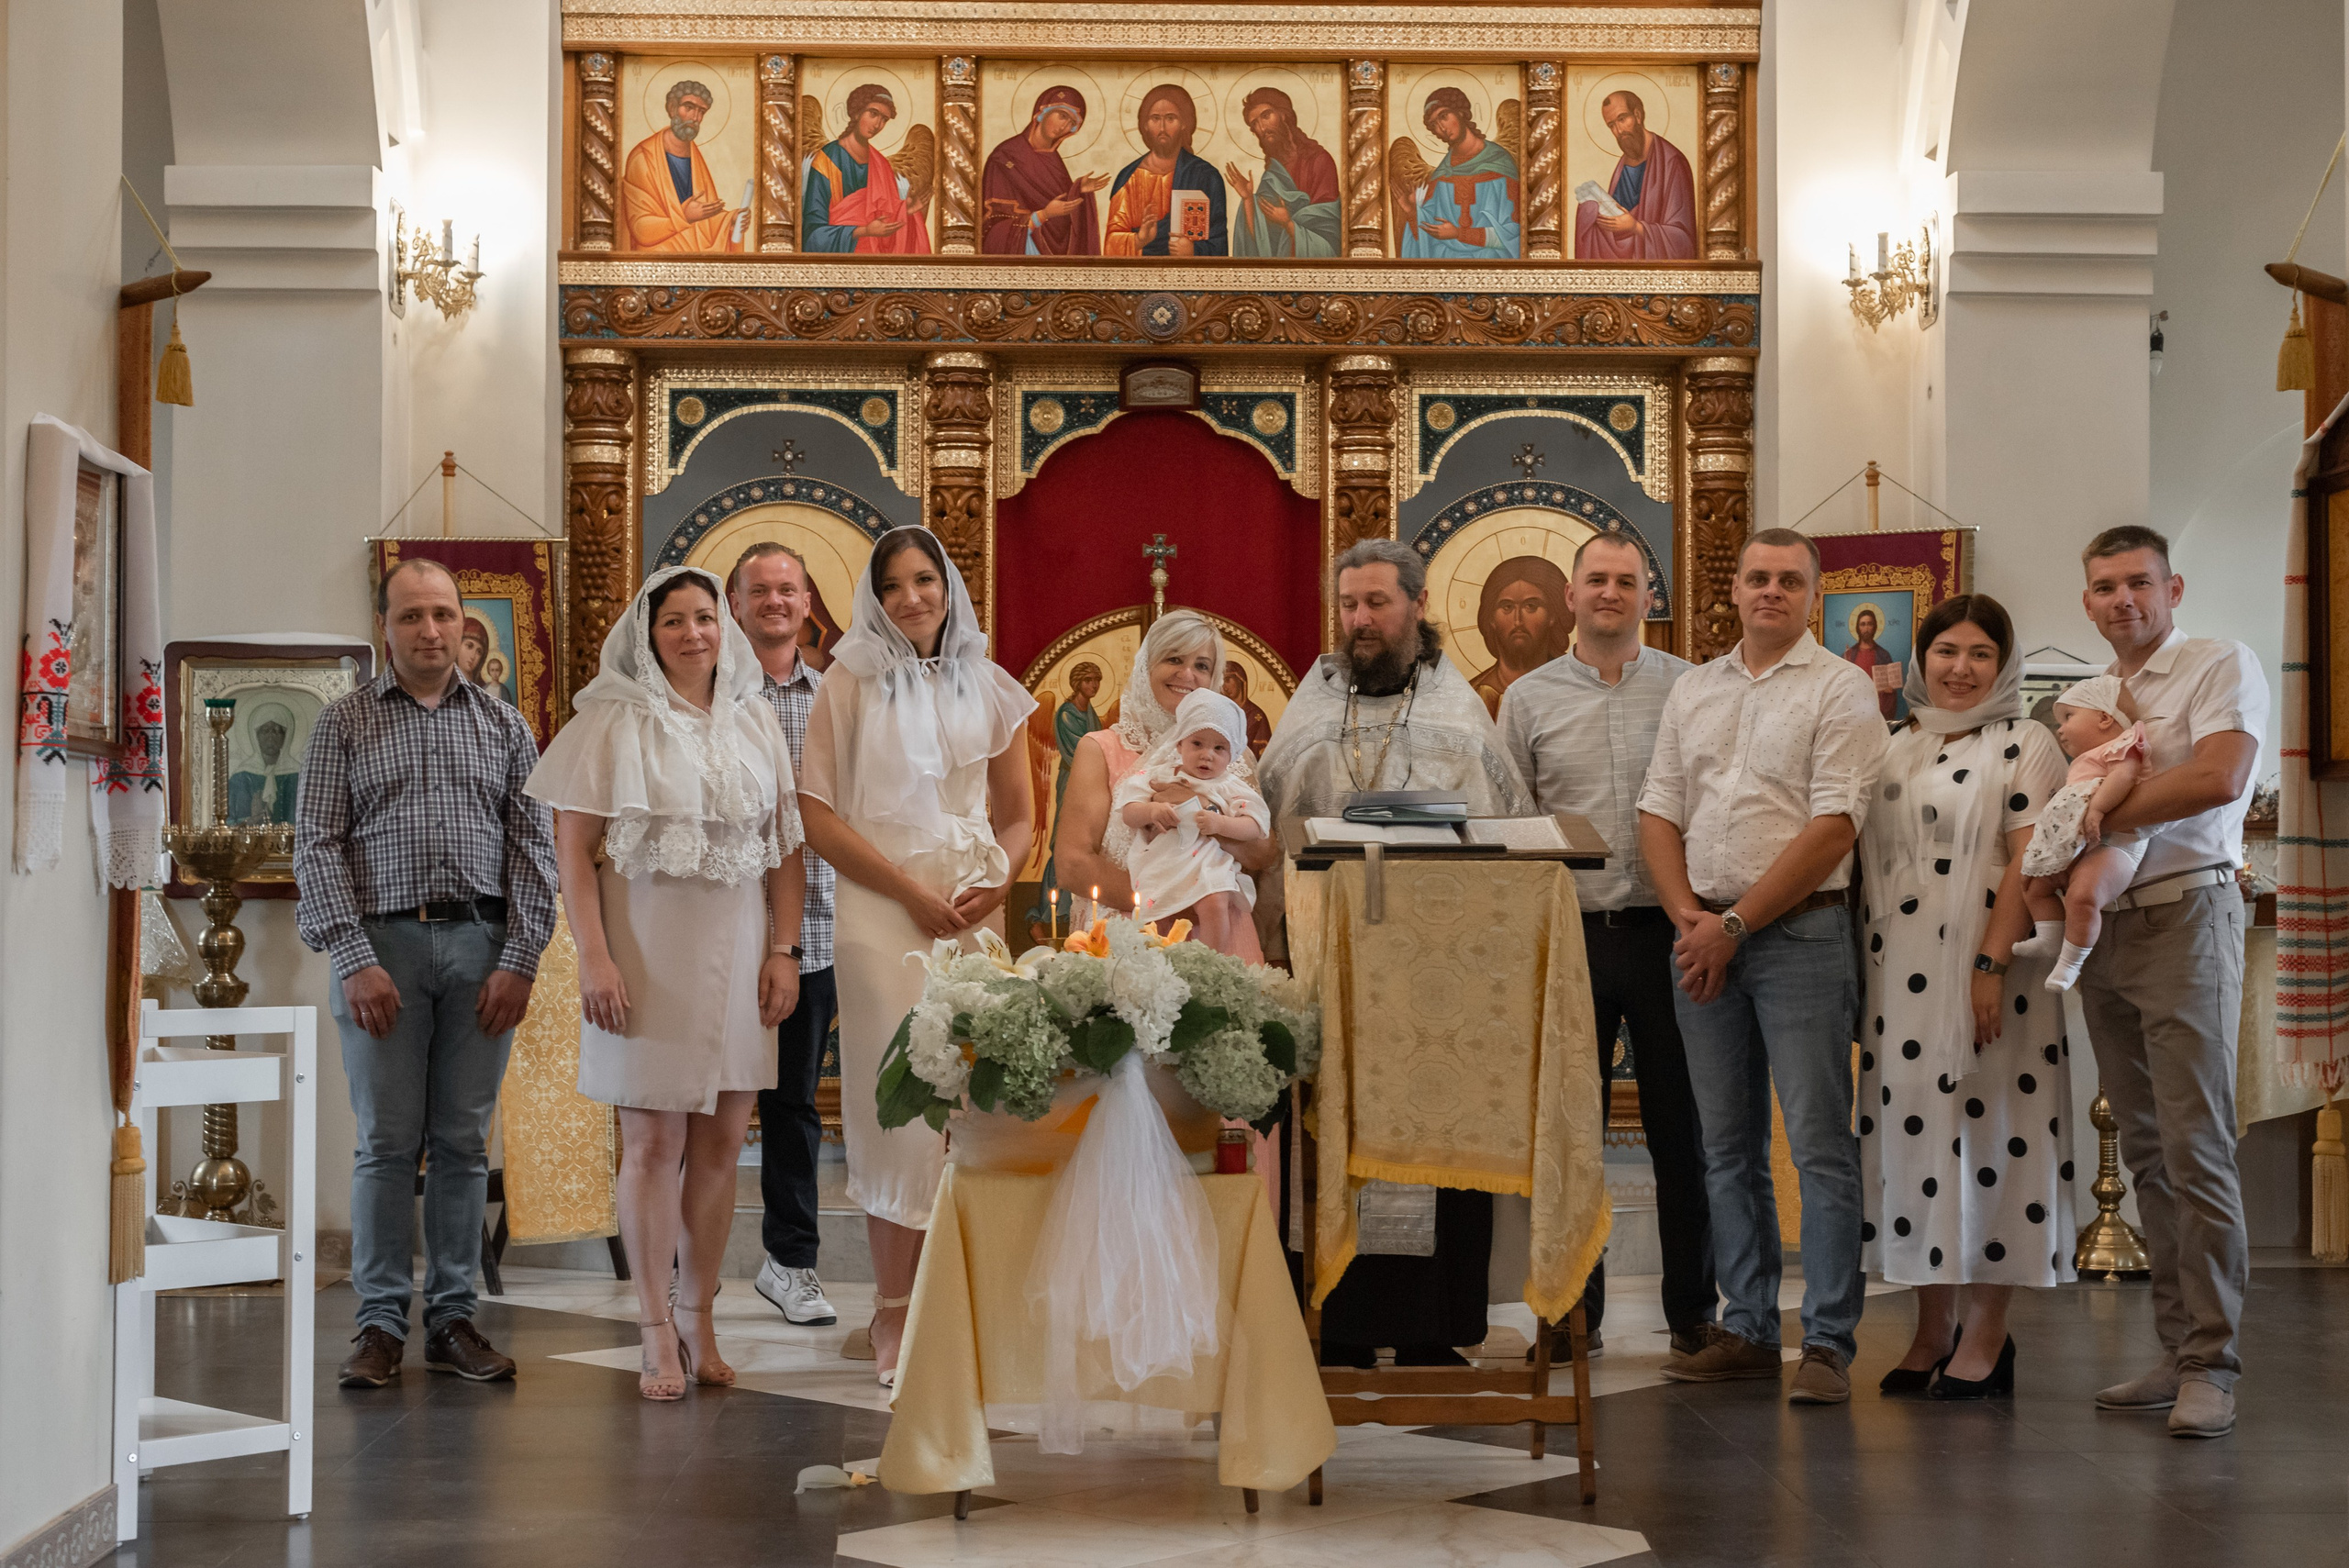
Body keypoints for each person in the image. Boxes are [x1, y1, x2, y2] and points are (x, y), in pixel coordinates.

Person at [527, 565, 807, 1400]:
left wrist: (784, 948)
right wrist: (594, 955)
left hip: (741, 942)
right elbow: (571, 847)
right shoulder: (610, 718)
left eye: (705, 618)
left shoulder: (755, 720)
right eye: (674, 621)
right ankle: (652, 1327)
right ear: (647, 634)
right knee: (653, 1142)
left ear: (726, 628)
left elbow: (786, 847)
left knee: (722, 1143)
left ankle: (699, 1316)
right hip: (644, 944)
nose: (693, 633)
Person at [1257, 539, 1534, 1367]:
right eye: (1349, 605)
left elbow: (1505, 829)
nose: (1361, 621)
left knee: (1436, 1132)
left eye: (1377, 603)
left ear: (1417, 606)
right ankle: (1334, 1321)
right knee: (1329, 1132)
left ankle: (1430, 1327)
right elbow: (1269, 832)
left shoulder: (1459, 713)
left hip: (1436, 979)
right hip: (1329, 967)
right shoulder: (1314, 704)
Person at [1636, 528, 1888, 1405]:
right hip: (1701, 934)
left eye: (1789, 580)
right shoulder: (1695, 687)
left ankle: (1826, 1342)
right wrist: (1690, 919)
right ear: (1734, 592)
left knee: (1818, 1144)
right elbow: (1659, 809)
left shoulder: (1842, 687)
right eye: (1757, 578)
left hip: (1800, 938)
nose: (1771, 591)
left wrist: (1734, 925)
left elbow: (1833, 826)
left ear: (1814, 596)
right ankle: (1745, 1325)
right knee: (1724, 1145)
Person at [294, 558, 557, 1389]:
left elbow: (535, 853)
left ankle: (452, 1317)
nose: (430, 630)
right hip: (382, 954)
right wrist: (352, 956)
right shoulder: (342, 726)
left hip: (481, 949)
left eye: (443, 613)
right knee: (384, 1143)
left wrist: (518, 960)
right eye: (412, 616)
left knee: (459, 1144)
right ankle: (377, 1326)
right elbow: (317, 846)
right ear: (387, 627)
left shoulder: (508, 728)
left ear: (463, 624)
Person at [796, 526, 1035, 1387]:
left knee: (969, 1105)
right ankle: (894, 1308)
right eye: (893, 585)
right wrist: (905, 888)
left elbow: (1017, 815)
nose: (912, 598)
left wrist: (997, 883)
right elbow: (817, 813)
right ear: (875, 596)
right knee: (896, 1103)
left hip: (969, 907)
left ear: (949, 586)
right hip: (882, 911)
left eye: (925, 579)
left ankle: (960, 1301)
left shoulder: (993, 686)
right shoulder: (848, 679)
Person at [1497, 532, 1713, 1365]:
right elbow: (1515, 818)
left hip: (1673, 932)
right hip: (1574, 933)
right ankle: (1566, 1311)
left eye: (1627, 581)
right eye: (1597, 579)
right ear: (1572, 595)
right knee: (1569, 1133)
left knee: (1682, 1129)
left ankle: (1694, 1312)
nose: (1611, 593)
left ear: (1647, 595)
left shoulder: (1690, 687)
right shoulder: (1528, 699)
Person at [2070, 525, 2266, 1439]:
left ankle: (2213, 1366)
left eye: (2138, 582)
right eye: (2105, 586)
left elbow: (2219, 777)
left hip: (2187, 914)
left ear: (2172, 586)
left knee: (2197, 1147)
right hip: (2104, 925)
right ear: (2087, 601)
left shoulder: (2217, 663)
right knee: (2145, 1148)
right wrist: (2091, 808)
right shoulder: (2082, 697)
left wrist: (2095, 805)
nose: (2123, 600)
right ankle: (2174, 1344)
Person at [1854, 594, 2076, 1400]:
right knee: (1918, 1139)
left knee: (1993, 1140)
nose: (1960, 668)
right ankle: (1930, 1327)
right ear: (1920, 659)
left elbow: (2031, 861)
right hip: (1899, 974)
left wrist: (1988, 965)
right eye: (1946, 650)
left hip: (1995, 969)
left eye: (1981, 653)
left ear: (2003, 664)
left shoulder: (2027, 741)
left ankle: (1988, 1332)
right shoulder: (1892, 745)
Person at [728, 542, 843, 1329]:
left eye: (788, 589)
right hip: (725, 928)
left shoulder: (838, 697)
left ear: (809, 605)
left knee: (794, 1103)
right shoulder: (711, 696)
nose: (775, 600)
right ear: (734, 603)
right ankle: (681, 1266)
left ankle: (790, 1262)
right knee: (708, 1103)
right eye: (759, 589)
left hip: (824, 928)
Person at [1053, 610, 1275, 920]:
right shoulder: (1100, 748)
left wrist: (1202, 809)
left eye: (1201, 666)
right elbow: (1072, 865)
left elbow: (1263, 854)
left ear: (1215, 678)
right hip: (1129, 930)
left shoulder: (1233, 756)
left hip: (1216, 926)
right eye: (1173, 659)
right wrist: (1169, 907)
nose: (1187, 675)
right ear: (1146, 667)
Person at [2015, 676, 2150, 993]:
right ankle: (2049, 937)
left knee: (2082, 896)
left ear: (2104, 717)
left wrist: (2099, 809)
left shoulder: (2121, 746)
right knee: (2035, 884)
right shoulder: (2085, 760)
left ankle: (2071, 962)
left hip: (2116, 845)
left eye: (2068, 717)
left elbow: (2124, 776)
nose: (2059, 728)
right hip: (2084, 844)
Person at [1113, 687, 1268, 959]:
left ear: (1232, 755)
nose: (1207, 755)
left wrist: (1220, 824)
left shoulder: (1230, 786)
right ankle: (1151, 963)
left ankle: (1209, 962)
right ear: (1179, 745)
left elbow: (1254, 826)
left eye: (1219, 748)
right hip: (1164, 860)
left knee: (1215, 900)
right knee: (1152, 912)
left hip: (1209, 863)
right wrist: (1151, 811)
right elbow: (1129, 811)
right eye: (1198, 744)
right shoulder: (1157, 775)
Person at [803, 84, 931, 254]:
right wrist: (864, 231)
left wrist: (904, 212)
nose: (877, 124)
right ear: (857, 112)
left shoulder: (882, 165)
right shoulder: (828, 159)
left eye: (884, 119)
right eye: (873, 114)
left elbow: (884, 227)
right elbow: (812, 234)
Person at [1395, 87, 1520, 260]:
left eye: (1444, 116)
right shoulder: (1441, 177)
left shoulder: (1500, 163)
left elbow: (1514, 234)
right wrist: (1412, 211)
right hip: (1443, 265)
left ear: (1460, 112)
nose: (1441, 128)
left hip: (1491, 265)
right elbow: (1427, 238)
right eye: (1433, 125)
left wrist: (1459, 234)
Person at [1572, 89, 1697, 261]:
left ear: (1638, 115)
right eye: (1611, 125)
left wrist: (1637, 228)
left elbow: (1683, 242)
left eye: (1622, 119)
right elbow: (1618, 229)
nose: (1619, 130)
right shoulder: (1622, 166)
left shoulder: (1672, 163)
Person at [1104, 84, 1228, 257]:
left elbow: (1219, 242)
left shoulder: (1205, 176)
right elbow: (1111, 242)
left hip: (1189, 280)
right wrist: (1140, 240)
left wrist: (1194, 250)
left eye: (1170, 118)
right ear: (1145, 125)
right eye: (1155, 119)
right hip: (1139, 278)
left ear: (1185, 123)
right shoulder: (1129, 178)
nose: (1162, 127)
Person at [619, 78, 742, 253]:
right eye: (689, 108)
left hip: (695, 256)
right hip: (655, 261)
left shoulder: (695, 157)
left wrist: (730, 220)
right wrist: (684, 217)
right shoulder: (642, 158)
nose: (695, 118)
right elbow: (640, 228)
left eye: (701, 112)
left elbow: (704, 223)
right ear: (672, 108)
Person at [981, 85, 1106, 255]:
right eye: (1062, 116)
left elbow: (1064, 221)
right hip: (1024, 256)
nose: (1064, 126)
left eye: (1072, 123)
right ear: (1042, 112)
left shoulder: (1055, 163)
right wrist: (1044, 215)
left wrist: (1078, 191)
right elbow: (993, 228)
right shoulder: (1004, 158)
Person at [1225, 85, 1341, 258]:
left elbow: (1330, 237)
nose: (1262, 128)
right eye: (1254, 124)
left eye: (1266, 116)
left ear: (1283, 114)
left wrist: (1288, 223)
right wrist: (1248, 199)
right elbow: (1261, 242)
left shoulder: (1319, 161)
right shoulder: (1273, 174)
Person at [1468, 554, 1574, 718]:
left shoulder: (1578, 686)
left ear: (1553, 614)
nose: (1518, 620)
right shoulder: (1470, 697)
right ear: (1491, 619)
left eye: (1530, 606)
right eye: (1507, 607)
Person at [228, 701, 301, 825]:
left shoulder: (298, 775)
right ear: (255, 735)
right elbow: (227, 823)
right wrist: (253, 820)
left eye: (277, 731)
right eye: (265, 731)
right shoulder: (240, 777)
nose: (271, 737)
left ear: (286, 736)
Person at [1841, 606, 1902, 721]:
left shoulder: (1883, 655)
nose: (1866, 628)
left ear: (1875, 627)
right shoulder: (1849, 655)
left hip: (1876, 711)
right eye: (1862, 624)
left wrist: (1889, 690)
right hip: (1853, 711)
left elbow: (1891, 691)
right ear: (1858, 628)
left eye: (1870, 624)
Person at [1222, 662, 1273, 759]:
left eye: (1228, 680)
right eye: (1222, 681)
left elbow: (1263, 755)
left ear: (1240, 680)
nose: (1224, 686)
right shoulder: (1219, 712)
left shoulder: (1257, 716)